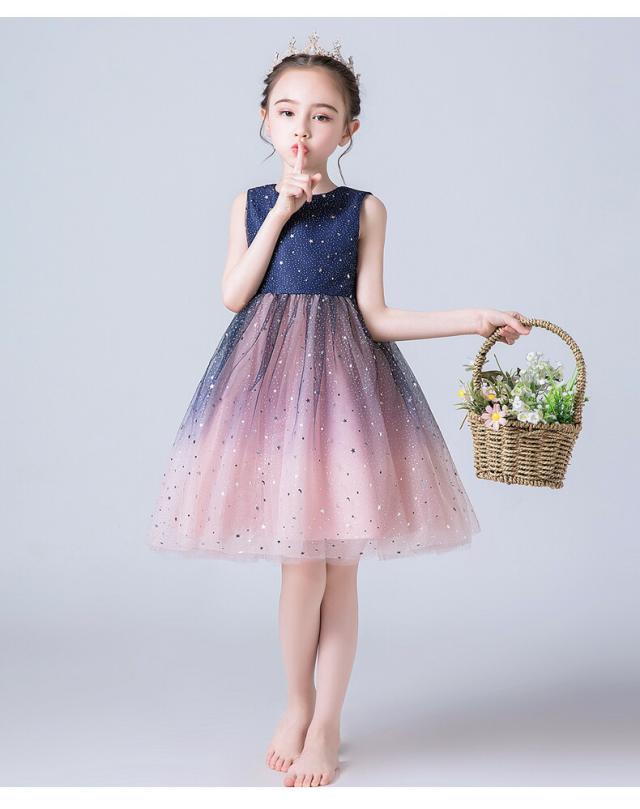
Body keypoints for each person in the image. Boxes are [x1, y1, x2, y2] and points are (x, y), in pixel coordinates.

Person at [148, 33, 531, 787]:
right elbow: (234, 294)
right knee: (300, 566)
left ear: (348, 130)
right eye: (288, 112)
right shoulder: (252, 203)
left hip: (351, 394)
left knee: (341, 566)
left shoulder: (365, 209)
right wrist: (281, 211)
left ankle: (327, 722)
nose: (303, 128)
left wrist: (473, 318)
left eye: (322, 116)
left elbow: (377, 316)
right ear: (265, 120)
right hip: (273, 395)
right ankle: (296, 705)